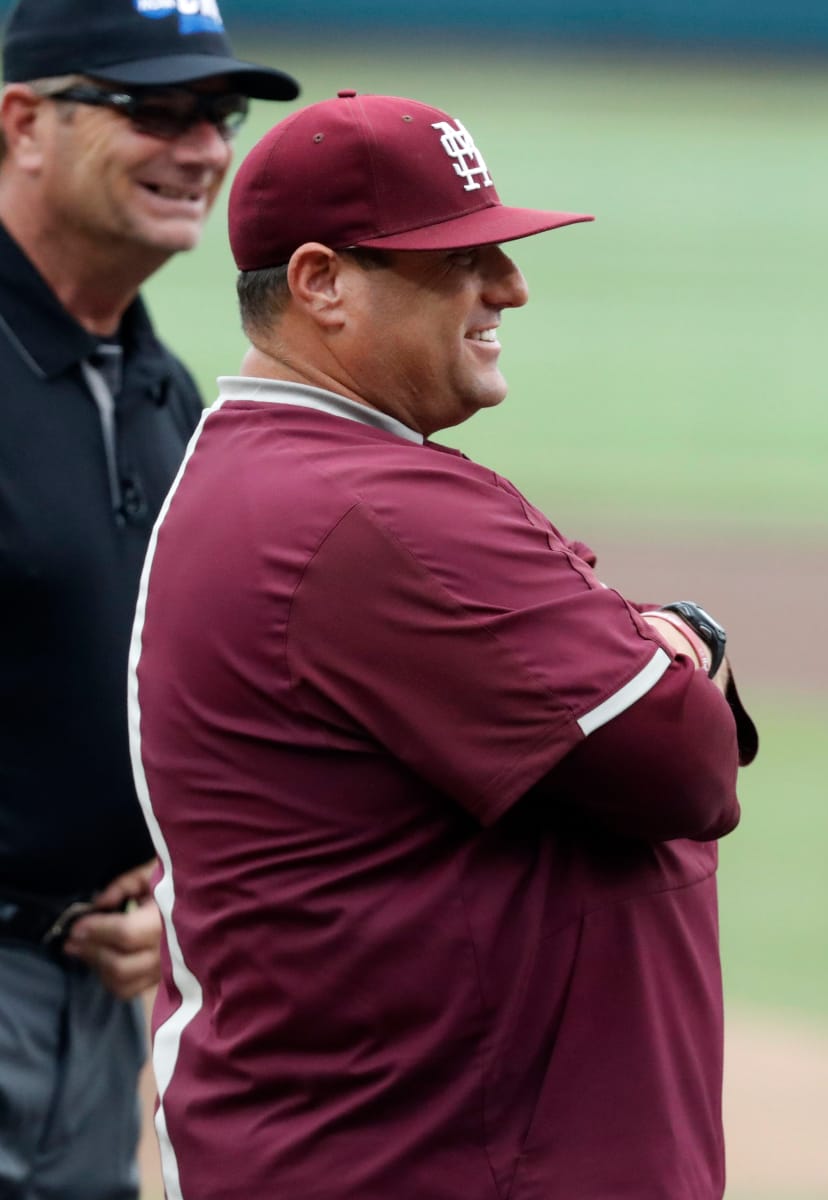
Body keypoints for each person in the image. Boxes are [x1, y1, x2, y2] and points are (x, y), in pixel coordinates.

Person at [127, 89, 756, 1200]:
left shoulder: (263, 474)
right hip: (439, 1161)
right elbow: (687, 765)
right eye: (459, 259)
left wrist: (647, 650)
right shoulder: (376, 513)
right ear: (321, 282)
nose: (509, 287)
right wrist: (678, 644)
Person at [0, 1, 298, 1196]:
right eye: (153, 110)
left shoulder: (162, 389)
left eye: (216, 114)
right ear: (22, 121)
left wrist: (166, 895)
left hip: (102, 1000)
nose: (205, 149)